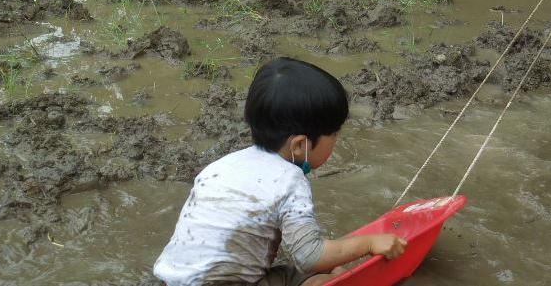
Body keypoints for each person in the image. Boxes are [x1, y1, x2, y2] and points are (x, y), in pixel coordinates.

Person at [153, 58, 407, 285]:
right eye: (334, 133)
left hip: (173, 278)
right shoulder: (289, 180)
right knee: (334, 277)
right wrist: (369, 243)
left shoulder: (221, 167)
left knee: (325, 265)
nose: (336, 140)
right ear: (300, 145)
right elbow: (309, 256)